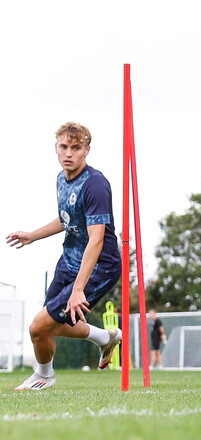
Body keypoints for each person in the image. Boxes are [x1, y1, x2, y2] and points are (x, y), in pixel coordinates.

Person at [5, 122, 123, 391]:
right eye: (64, 147)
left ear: (87, 150)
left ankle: (44, 375)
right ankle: (105, 338)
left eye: (76, 147)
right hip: (69, 262)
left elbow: (97, 239)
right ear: (56, 148)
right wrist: (33, 235)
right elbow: (67, 218)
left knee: (38, 326)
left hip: (99, 267)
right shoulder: (61, 178)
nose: (69, 153)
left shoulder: (95, 185)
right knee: (48, 325)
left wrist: (78, 289)